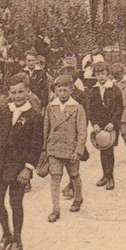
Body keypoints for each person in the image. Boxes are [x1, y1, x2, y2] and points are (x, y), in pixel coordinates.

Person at [0, 74, 43, 250]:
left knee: (15, 203)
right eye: (13, 92)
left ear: (28, 92)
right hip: (0, 165)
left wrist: (28, 168)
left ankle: (17, 240)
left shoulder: (33, 116)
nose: (17, 96)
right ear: (9, 93)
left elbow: (36, 144)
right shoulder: (4, 111)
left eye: (21, 92)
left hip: (19, 168)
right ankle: (6, 234)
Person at [43, 74, 87, 220]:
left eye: (65, 90)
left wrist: (78, 150)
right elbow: (46, 129)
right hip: (54, 149)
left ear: (71, 90)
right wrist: (45, 148)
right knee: (55, 178)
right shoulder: (51, 107)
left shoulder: (77, 108)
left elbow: (82, 131)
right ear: (56, 90)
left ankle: (78, 197)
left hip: (71, 150)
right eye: (59, 90)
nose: (62, 94)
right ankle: (55, 209)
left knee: (74, 175)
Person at [87, 61, 124, 190]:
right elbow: (90, 109)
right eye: (98, 74)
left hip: (111, 126)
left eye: (103, 74)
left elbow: (119, 108)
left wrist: (112, 123)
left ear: (108, 74)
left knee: (109, 151)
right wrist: (94, 124)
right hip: (100, 126)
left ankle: (110, 177)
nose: (101, 77)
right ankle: (104, 175)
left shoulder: (115, 89)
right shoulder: (93, 90)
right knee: (102, 150)